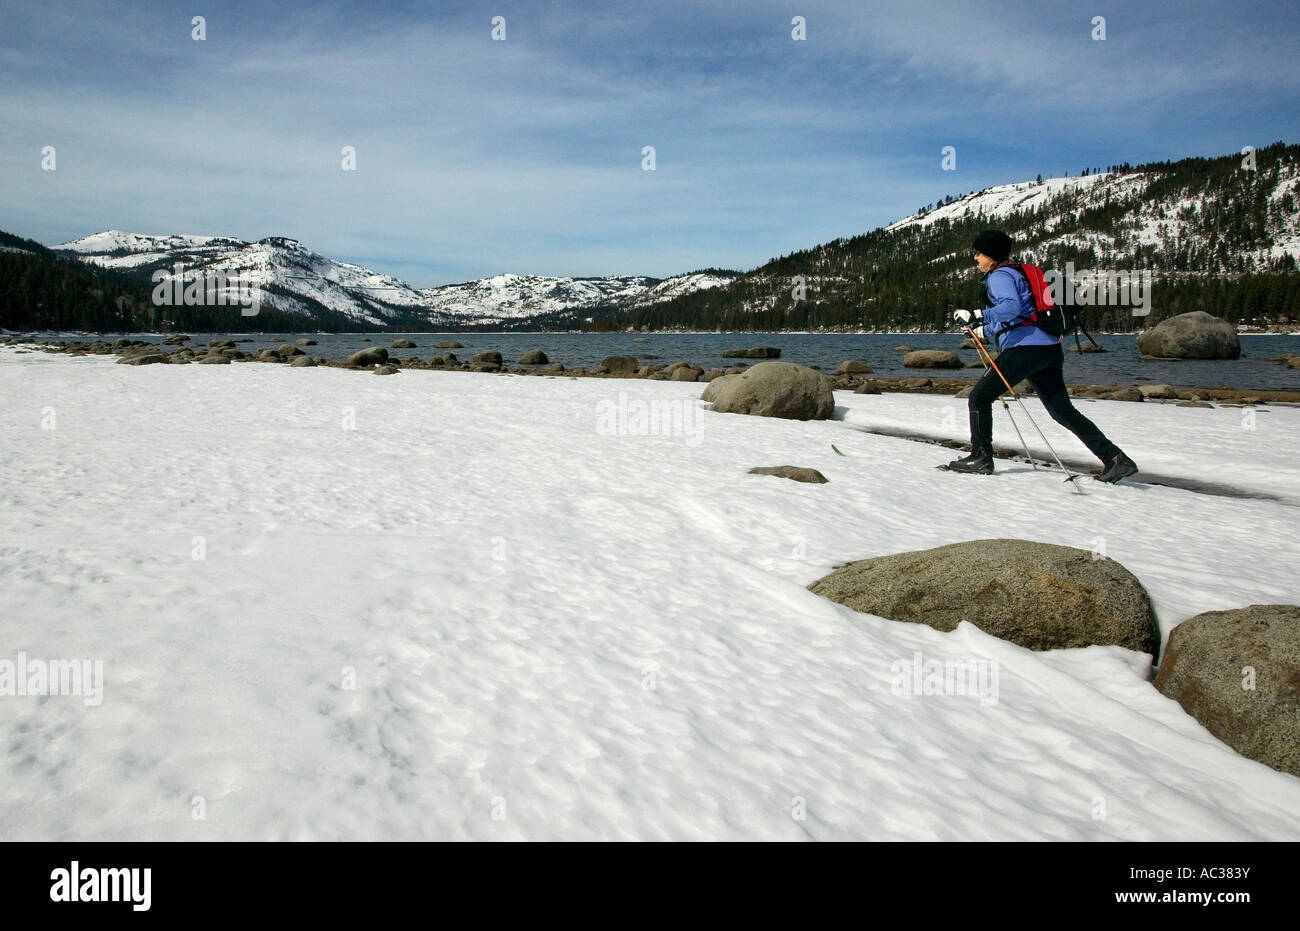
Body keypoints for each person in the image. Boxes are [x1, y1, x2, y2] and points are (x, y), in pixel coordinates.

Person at [946, 229, 1138, 482]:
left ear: (991, 255)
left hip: (1024, 348)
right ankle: (1115, 459)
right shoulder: (1022, 271)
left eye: (979, 253)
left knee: (979, 398)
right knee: (1062, 411)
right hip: (1048, 348)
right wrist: (985, 330)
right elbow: (1023, 313)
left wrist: (977, 314)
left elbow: (1010, 307)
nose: (976, 258)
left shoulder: (1000, 275)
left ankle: (981, 457)